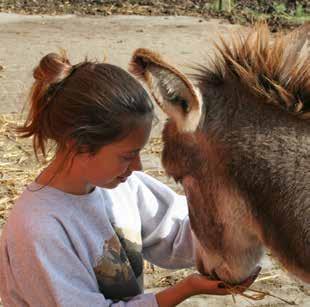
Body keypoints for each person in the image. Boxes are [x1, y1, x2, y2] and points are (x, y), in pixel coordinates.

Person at [0, 52, 259, 307]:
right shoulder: (39, 229)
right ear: (79, 146)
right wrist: (184, 290)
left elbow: (177, 233)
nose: (137, 166)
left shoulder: (122, 186)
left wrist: (242, 221)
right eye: (128, 155)